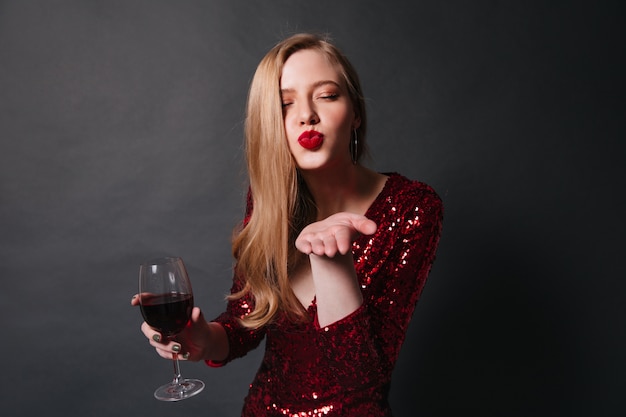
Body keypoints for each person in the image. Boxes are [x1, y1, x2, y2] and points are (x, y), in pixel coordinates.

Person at [132, 33, 443, 416]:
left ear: (356, 112)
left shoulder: (412, 206)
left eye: (327, 95)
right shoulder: (270, 201)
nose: (306, 115)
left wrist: (330, 260)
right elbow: (246, 322)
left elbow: (362, 378)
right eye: (284, 104)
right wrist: (202, 340)